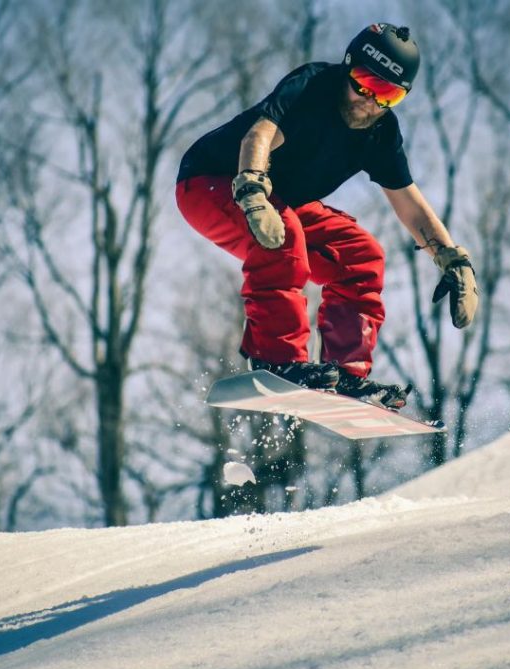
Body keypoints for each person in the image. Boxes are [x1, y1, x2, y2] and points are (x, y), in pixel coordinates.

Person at [175, 23, 479, 409]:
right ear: (347, 68)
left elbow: (409, 203)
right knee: (285, 236)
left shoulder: (380, 132)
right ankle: (276, 360)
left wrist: (452, 259)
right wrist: (252, 192)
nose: (369, 100)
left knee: (360, 255)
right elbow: (260, 137)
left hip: (283, 198)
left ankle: (347, 372)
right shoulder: (313, 88)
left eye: (387, 93)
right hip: (213, 180)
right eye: (364, 82)